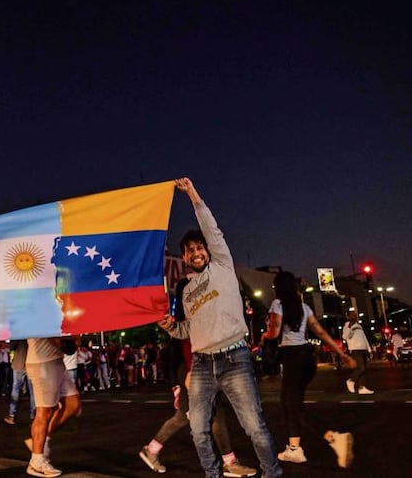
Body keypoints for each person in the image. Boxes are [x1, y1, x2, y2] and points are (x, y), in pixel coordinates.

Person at [158, 178, 281, 478]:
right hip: (201, 364)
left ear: (208, 251)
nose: (196, 253)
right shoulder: (185, 290)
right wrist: (171, 327)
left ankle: (272, 473)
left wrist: (192, 194)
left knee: (254, 426)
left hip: (234, 358)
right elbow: (189, 331)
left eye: (200, 247)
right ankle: (212, 474)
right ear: (184, 257)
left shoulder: (223, 265)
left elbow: (211, 227)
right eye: (190, 251)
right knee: (198, 429)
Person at [141, 278, 257, 477]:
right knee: (208, 415)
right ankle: (229, 462)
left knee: (197, 415)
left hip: (197, 368)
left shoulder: (197, 306)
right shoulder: (189, 309)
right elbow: (186, 344)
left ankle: (152, 450)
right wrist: (187, 374)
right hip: (194, 369)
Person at [262, 271, 356, 468]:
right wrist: (341, 353)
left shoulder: (277, 304)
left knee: (290, 403)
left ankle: (333, 438)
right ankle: (295, 449)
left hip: (292, 358)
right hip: (307, 358)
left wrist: (265, 337)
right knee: (292, 403)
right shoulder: (304, 308)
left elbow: (275, 331)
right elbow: (320, 331)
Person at [23, 336, 82, 478]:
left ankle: (41, 441)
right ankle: (36, 462)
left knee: (73, 404)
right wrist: (73, 339)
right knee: (44, 412)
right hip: (42, 363)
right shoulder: (41, 314)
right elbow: (58, 340)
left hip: (55, 361)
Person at [4, 338, 35, 425]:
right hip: (32, 364)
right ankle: (34, 416)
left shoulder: (18, 334)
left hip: (19, 364)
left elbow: (11, 347)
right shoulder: (33, 333)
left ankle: (12, 414)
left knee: (16, 389)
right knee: (33, 392)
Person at [342, 311, 373, 394]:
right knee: (361, 367)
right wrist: (350, 327)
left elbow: (364, 337)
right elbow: (345, 336)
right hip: (355, 349)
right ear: (348, 317)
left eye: (356, 315)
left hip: (363, 349)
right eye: (353, 315)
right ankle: (351, 380)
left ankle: (361, 388)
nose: (355, 316)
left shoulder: (359, 326)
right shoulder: (347, 325)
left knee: (364, 369)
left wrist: (369, 349)